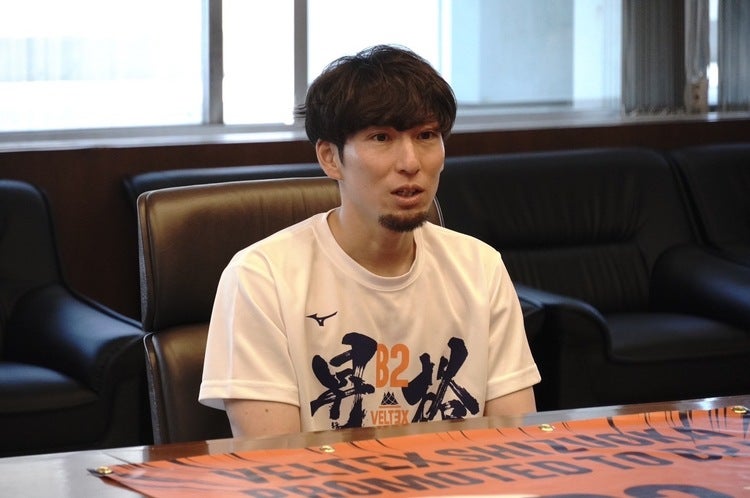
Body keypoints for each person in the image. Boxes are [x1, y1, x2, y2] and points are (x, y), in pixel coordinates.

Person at [199, 44, 540, 438]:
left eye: (426, 135)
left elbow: (516, 443)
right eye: (381, 137)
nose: (410, 163)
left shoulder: (480, 267)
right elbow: (276, 462)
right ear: (330, 158)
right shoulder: (262, 277)